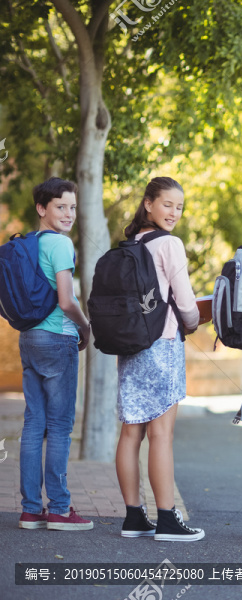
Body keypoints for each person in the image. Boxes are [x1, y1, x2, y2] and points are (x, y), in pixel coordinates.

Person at [114, 177, 203, 542]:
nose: (174, 213)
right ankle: (167, 519)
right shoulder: (170, 244)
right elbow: (185, 303)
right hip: (162, 342)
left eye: (179, 207)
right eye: (167, 204)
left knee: (131, 431)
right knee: (161, 433)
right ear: (148, 203)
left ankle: (134, 517)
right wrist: (196, 321)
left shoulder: (128, 245)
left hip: (130, 345)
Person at [17, 177, 93, 531]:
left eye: (73, 207)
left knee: (34, 424)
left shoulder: (30, 244)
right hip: (58, 338)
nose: (68, 213)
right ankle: (60, 508)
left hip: (29, 338)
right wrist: (85, 326)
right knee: (60, 427)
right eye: (61, 206)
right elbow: (66, 301)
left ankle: (31, 509)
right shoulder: (60, 245)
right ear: (41, 208)